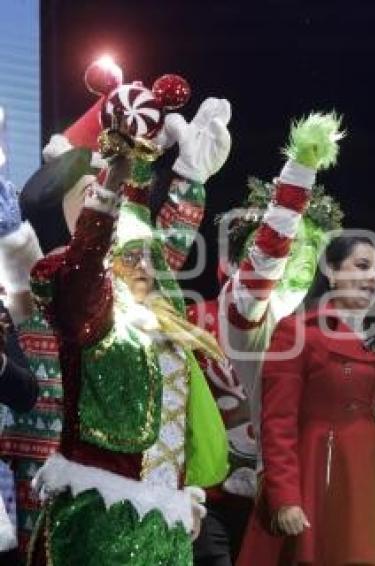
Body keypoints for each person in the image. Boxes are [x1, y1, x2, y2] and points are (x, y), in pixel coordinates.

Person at [27, 99, 232, 564]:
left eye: (145, 255)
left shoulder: (165, 322)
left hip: (167, 530)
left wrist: (187, 494)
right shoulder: (82, 301)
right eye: (127, 254)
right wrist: (115, 179)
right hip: (99, 523)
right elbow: (84, 266)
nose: (142, 264)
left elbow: (176, 425)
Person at [188, 113, 343, 565]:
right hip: (211, 502)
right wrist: (300, 172)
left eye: (310, 249)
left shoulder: (318, 329)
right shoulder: (238, 312)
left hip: (284, 502)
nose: (298, 258)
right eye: (292, 246)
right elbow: (268, 258)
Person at [238, 234, 375, 565]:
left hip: (366, 480)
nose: (373, 278)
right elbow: (278, 422)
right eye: (362, 266)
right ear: (332, 272)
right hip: (316, 475)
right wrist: (285, 498)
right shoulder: (297, 332)